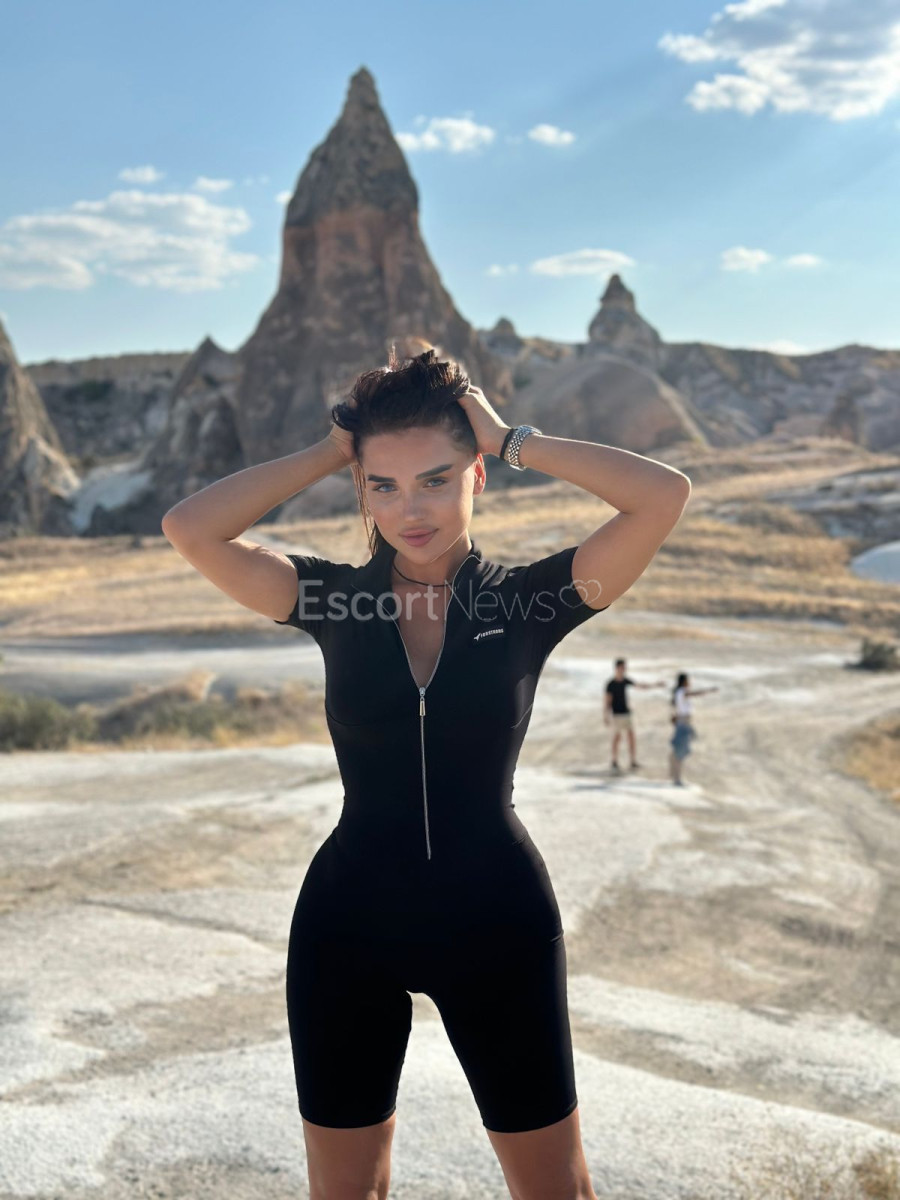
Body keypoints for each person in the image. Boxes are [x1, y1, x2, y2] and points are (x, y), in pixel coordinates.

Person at [161, 346, 691, 1200]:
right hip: (346, 928)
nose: (410, 509)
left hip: (498, 924)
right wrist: (329, 453)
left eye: (436, 480)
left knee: (557, 1193)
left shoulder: (527, 603)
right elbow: (190, 528)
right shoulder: (332, 599)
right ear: (363, 490)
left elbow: (662, 495)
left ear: (476, 474)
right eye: (384, 486)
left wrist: (512, 438)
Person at [604, 657, 665, 771]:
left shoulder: (625, 680)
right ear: (617, 668)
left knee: (631, 736)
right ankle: (614, 761)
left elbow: (640, 686)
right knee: (617, 738)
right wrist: (606, 715)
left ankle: (632, 761)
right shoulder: (610, 684)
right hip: (617, 714)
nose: (624, 669)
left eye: (624, 667)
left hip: (626, 713)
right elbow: (607, 701)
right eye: (622, 667)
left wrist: (655, 685)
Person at [669, 671, 718, 786]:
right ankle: (677, 778)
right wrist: (708, 691)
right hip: (683, 723)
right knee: (680, 751)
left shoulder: (679, 692)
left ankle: (675, 776)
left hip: (683, 722)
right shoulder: (682, 692)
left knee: (678, 751)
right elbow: (694, 694)